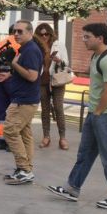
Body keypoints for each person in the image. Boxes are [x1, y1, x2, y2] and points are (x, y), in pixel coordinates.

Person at [47, 22, 107, 210]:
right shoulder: (96, 56)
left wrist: (98, 112)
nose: (83, 40)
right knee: (85, 154)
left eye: (87, 37)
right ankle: (72, 188)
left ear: (100, 38)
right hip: (96, 114)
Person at [0, 20, 43, 185]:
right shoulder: (25, 49)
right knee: (24, 134)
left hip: (24, 100)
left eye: (20, 31)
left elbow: (32, 76)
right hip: (25, 98)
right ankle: (26, 169)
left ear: (30, 32)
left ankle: (24, 169)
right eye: (15, 31)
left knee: (9, 131)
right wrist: (10, 74)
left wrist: (14, 65)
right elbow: (26, 73)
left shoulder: (30, 50)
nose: (16, 34)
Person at [34, 22, 72, 151]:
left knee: (58, 108)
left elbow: (66, 63)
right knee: (45, 109)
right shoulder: (36, 46)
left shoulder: (58, 45)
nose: (44, 37)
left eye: (47, 34)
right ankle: (46, 137)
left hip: (57, 80)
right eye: (41, 34)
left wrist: (59, 61)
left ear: (51, 34)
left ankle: (63, 138)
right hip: (42, 80)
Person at [0, 26, 20, 151]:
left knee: (1, 108)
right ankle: (10, 141)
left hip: (0, 79)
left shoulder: (2, 43)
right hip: (12, 79)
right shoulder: (20, 44)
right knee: (13, 110)